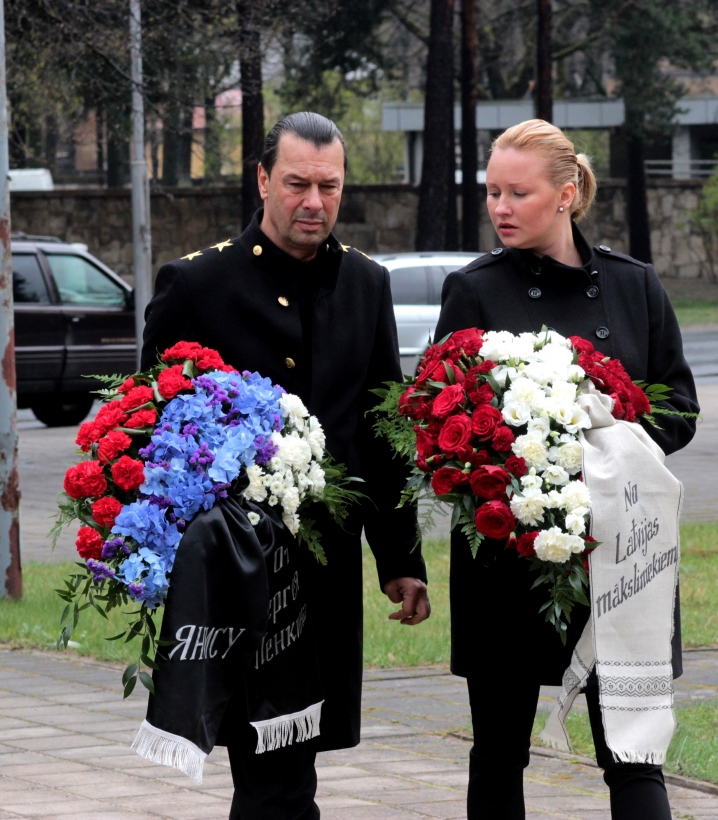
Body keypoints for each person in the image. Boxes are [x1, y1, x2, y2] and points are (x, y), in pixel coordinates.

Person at [142, 112, 431, 820]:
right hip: (237, 569)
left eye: (329, 186)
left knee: (289, 768)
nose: (314, 201)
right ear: (264, 179)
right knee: (273, 774)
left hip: (325, 570)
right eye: (297, 183)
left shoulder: (366, 283)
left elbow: (378, 431)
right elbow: (149, 432)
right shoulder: (198, 285)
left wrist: (401, 558)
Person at [434, 119, 699, 820]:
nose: (500, 207)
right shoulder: (473, 290)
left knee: (633, 756)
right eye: (493, 192)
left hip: (619, 558)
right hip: (505, 561)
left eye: (517, 192)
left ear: (566, 192)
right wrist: (523, 462)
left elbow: (681, 408)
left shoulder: (633, 285)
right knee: (497, 755)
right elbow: (437, 426)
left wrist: (605, 439)